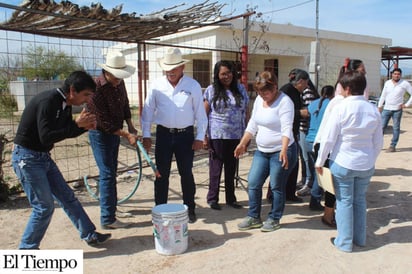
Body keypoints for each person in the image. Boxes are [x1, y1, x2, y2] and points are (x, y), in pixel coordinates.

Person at [11, 71, 111, 249]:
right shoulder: (49, 101)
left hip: (42, 157)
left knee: (67, 197)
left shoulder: (65, 105)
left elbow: (66, 132)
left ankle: (90, 234)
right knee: (43, 207)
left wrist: (84, 127)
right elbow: (46, 137)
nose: (87, 100)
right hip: (27, 158)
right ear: (72, 90)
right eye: (86, 95)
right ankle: (27, 249)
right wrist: (76, 125)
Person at [315, 71, 383, 252]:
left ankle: (344, 242)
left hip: (343, 162)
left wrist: (320, 161)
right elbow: (378, 142)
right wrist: (370, 160)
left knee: (344, 201)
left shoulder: (341, 108)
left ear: (347, 89)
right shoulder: (373, 110)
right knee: (360, 201)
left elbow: (328, 139)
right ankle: (360, 239)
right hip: (365, 163)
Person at [141, 48, 208, 223]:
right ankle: (160, 209)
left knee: (186, 173)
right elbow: (147, 111)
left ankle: (190, 208)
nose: (170, 71)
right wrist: (146, 135)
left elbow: (200, 113)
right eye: (167, 67)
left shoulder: (192, 85)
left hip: (185, 136)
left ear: (182, 67)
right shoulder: (156, 85)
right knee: (161, 174)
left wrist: (200, 136)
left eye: (174, 67)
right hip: (163, 134)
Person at [235, 71, 297, 232]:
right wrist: (243, 143)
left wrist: (284, 150)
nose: (262, 96)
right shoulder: (259, 101)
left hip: (281, 150)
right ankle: (253, 216)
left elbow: (286, 128)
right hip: (262, 151)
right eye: (259, 92)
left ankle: (274, 218)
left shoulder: (285, 102)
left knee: (276, 185)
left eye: (266, 92)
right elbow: (253, 124)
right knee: (254, 182)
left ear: (275, 87)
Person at [87, 51, 138, 229]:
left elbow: (125, 105)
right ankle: (108, 218)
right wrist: (127, 135)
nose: (118, 80)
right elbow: (104, 123)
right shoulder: (95, 90)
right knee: (107, 174)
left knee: (112, 172)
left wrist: (130, 126)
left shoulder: (119, 82)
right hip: (100, 134)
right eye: (116, 77)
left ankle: (112, 209)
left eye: (120, 76)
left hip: (115, 133)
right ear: (106, 72)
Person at [203, 60, 249, 210]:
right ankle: (212, 199)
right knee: (215, 169)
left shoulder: (241, 89)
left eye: (229, 73)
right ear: (217, 75)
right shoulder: (211, 90)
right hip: (217, 135)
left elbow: (246, 113)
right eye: (223, 73)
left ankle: (231, 199)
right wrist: (203, 136)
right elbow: (204, 114)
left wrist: (247, 136)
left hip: (236, 136)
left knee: (231, 168)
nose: (226, 76)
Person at [280, 69, 310, 202]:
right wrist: (300, 113)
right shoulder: (286, 91)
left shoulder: (296, 92)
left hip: (293, 131)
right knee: (285, 164)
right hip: (286, 133)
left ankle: (289, 193)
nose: (307, 86)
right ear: (301, 81)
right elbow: (284, 112)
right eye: (306, 83)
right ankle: (279, 194)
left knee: (292, 165)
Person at [304, 85, 334, 213]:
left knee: (314, 171)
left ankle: (314, 194)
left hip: (308, 140)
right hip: (320, 142)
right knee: (321, 173)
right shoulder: (332, 105)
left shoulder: (314, 103)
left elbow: (305, 114)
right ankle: (315, 200)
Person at [378, 67, 412, 152]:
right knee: (381, 127)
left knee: (396, 128)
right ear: (392, 74)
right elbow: (383, 95)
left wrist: (406, 105)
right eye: (395, 74)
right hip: (386, 109)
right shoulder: (387, 83)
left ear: (400, 75)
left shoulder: (405, 83)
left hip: (397, 110)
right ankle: (378, 145)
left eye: (398, 74)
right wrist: (380, 105)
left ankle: (392, 146)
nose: (396, 76)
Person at [296, 79, 319, 196]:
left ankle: (309, 183)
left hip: (306, 129)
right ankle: (305, 180)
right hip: (303, 129)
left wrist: (295, 113)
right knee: (304, 158)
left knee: (307, 158)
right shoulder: (305, 92)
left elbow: (308, 112)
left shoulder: (307, 92)